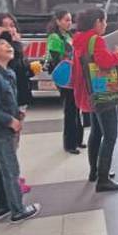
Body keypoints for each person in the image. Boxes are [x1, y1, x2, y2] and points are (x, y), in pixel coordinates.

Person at [0, 36, 41, 223]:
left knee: (3, 167)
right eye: (2, 45)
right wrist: (10, 120)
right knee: (11, 170)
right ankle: (18, 211)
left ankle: (2, 207)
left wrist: (17, 114)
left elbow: (8, 100)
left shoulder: (8, 73)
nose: (8, 46)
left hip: (8, 129)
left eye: (8, 44)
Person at [71, 8, 118, 192]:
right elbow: (104, 62)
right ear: (97, 22)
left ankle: (95, 171)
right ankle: (103, 179)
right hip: (102, 90)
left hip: (89, 91)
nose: (106, 25)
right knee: (110, 135)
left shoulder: (79, 39)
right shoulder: (96, 39)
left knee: (96, 132)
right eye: (104, 21)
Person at [0, 13, 35, 194]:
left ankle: (13, 177)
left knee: (13, 145)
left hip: (19, 102)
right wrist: (15, 47)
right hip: (6, 107)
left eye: (12, 25)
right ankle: (9, 186)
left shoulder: (13, 48)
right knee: (8, 149)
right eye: (5, 26)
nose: (10, 29)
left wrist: (30, 68)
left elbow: (19, 72)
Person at [46, 10, 84, 154]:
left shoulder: (68, 35)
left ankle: (78, 140)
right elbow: (56, 59)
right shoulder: (54, 37)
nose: (69, 23)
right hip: (65, 78)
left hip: (73, 76)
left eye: (70, 20)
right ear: (58, 21)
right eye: (66, 20)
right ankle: (69, 144)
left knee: (76, 108)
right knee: (70, 110)